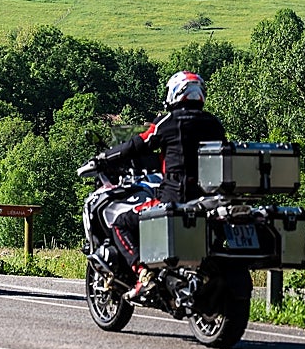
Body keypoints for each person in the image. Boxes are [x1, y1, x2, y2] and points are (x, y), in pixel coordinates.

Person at [94, 71, 227, 299]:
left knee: (121, 223)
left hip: (175, 197)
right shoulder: (213, 123)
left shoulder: (169, 122)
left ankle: (143, 274)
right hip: (208, 198)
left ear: (175, 94)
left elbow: (139, 143)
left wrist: (105, 157)